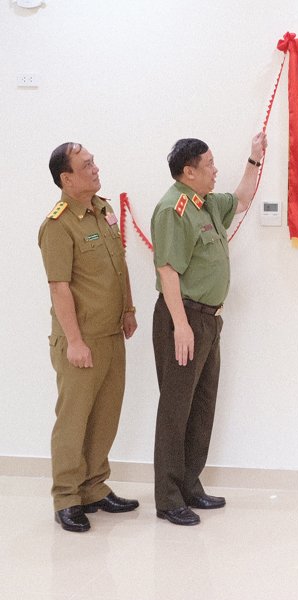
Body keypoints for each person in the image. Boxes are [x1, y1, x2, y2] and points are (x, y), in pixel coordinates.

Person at [151, 132, 266, 526]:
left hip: (209, 320)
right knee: (175, 409)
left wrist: (254, 158)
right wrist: (181, 326)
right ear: (189, 171)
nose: (216, 170)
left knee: (201, 406)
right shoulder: (174, 209)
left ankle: (189, 484)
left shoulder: (206, 204)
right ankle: (168, 498)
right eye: (210, 164)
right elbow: (167, 270)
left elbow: (243, 198)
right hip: (183, 318)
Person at [38, 143, 140, 533]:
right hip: (81, 341)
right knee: (74, 420)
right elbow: (59, 287)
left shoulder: (103, 209)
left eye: (94, 162)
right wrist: (75, 342)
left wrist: (128, 309)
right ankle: (66, 497)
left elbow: (119, 265)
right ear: (67, 178)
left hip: (111, 333)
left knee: (105, 416)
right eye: (86, 165)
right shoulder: (58, 225)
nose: (96, 168)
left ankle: (94, 488)